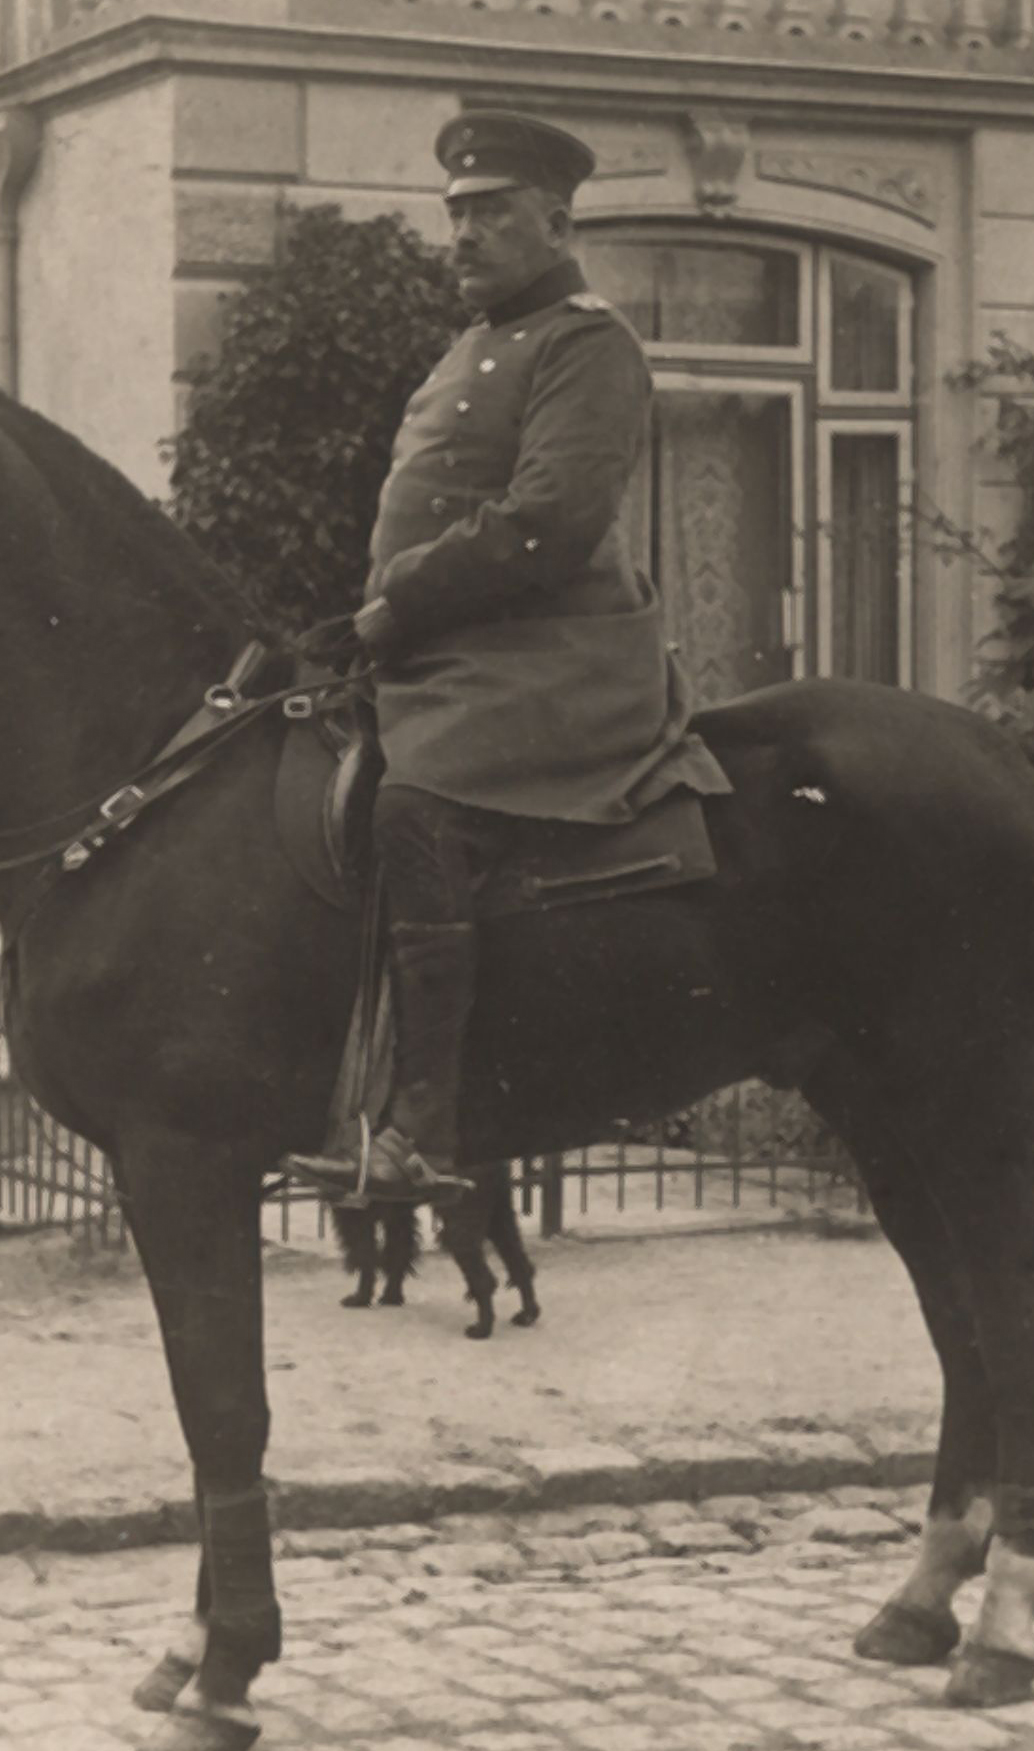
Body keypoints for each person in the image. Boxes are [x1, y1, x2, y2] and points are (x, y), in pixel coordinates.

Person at [284, 109, 728, 1209]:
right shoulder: (469, 348)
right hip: (455, 652)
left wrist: (397, 605)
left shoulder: (588, 343)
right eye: (456, 216)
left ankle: (427, 1124)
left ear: (556, 221)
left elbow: (550, 521)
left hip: (553, 658)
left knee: (414, 805)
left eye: (489, 214)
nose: (464, 236)